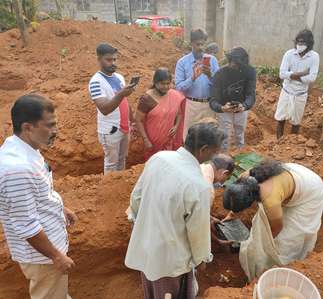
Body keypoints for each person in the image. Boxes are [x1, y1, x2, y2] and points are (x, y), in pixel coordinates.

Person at [125, 123, 225, 299]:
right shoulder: (198, 185)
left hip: (146, 243)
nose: (214, 156)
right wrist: (202, 258)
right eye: (214, 152)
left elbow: (136, 198)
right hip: (169, 260)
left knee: (152, 290)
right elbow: (198, 232)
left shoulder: (159, 158)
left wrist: (144, 224)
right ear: (204, 149)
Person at [0, 94, 77, 299]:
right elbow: (26, 224)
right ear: (27, 127)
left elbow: (37, 193)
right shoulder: (18, 169)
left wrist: (61, 208)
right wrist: (56, 257)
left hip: (46, 254)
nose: (56, 131)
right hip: (43, 258)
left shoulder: (24, 148)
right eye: (50, 125)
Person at [223, 159, 323, 281]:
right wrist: (231, 214)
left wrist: (263, 246)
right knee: (262, 228)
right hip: (291, 176)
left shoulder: (270, 200)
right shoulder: (244, 179)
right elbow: (236, 198)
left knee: (288, 240)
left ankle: (282, 269)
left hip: (310, 190)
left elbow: (277, 228)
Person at [88, 43, 136, 174]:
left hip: (124, 127)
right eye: (109, 60)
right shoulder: (96, 82)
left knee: (122, 160)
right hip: (110, 130)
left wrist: (133, 120)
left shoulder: (119, 77)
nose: (113, 63)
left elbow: (125, 101)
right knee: (111, 163)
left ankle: (118, 187)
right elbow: (104, 109)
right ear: (99, 60)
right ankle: (108, 189)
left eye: (115, 59)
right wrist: (121, 93)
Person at [275, 29, 320, 139]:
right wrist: (302, 74)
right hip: (286, 91)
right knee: (280, 119)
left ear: (309, 44)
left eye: (303, 43)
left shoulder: (314, 57)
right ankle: (278, 142)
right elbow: (281, 74)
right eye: (298, 42)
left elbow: (312, 77)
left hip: (300, 94)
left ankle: (292, 143)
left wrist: (291, 76)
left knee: (296, 122)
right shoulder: (289, 54)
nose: (300, 45)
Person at [209, 47, 257, 150]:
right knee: (224, 138)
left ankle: (240, 156)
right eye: (231, 61)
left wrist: (244, 106)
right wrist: (222, 108)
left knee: (240, 136)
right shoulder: (220, 74)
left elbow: (251, 95)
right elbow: (213, 99)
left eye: (235, 63)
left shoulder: (250, 72)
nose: (232, 65)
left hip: (241, 108)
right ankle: (223, 160)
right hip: (224, 108)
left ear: (243, 64)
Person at [175, 29, 219, 139]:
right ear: (191, 44)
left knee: (209, 139)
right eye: (197, 44)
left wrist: (210, 75)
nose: (200, 47)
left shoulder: (212, 60)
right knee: (191, 138)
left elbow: (220, 85)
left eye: (202, 44)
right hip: (192, 105)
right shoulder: (182, 62)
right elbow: (179, 87)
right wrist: (192, 78)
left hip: (209, 105)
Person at [135, 68, 186, 161]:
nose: (166, 87)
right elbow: (137, 119)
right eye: (162, 84)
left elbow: (179, 113)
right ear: (155, 82)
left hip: (168, 141)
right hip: (152, 142)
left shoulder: (174, 95)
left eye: (168, 83)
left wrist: (176, 126)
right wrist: (146, 140)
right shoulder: (147, 99)